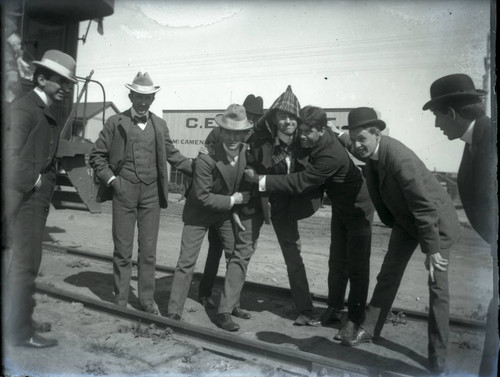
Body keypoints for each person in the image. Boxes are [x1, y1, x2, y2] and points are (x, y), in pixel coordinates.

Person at [340, 107, 461, 376]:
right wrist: (394, 222)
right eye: (353, 140)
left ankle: (438, 358)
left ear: (377, 134)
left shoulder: (398, 157)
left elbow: (424, 207)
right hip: (407, 223)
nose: (357, 145)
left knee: (437, 287)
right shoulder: (370, 154)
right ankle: (370, 329)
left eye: (362, 139)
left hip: (435, 223)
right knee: (388, 274)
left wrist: (431, 250)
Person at [244, 105, 374, 341]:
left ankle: (355, 320)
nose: (301, 136)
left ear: (321, 130)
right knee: (336, 260)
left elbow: (300, 182)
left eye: (307, 132)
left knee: (356, 266)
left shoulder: (329, 155)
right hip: (340, 207)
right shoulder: (323, 137)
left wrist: (261, 180)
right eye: (300, 130)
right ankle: (335, 308)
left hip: (358, 209)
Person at [217, 85, 322, 329]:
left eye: (292, 117)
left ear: (298, 120)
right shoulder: (259, 141)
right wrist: (234, 208)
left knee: (293, 255)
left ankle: (305, 309)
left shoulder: (304, 144)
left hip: (286, 208)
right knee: (242, 252)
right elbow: (242, 172)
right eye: (282, 116)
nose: (288, 122)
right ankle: (225, 310)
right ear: (274, 118)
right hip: (255, 202)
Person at [89, 72, 193, 314]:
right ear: (131, 96)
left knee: (148, 251)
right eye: (139, 97)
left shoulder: (160, 125)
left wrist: (199, 168)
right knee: (122, 250)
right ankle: (121, 301)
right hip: (123, 191)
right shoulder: (116, 123)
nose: (144, 102)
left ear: (153, 99)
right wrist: (113, 181)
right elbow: (97, 155)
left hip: (151, 194)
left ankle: (147, 301)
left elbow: (174, 155)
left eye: (148, 98)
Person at [423, 73, 498, 377]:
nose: (437, 126)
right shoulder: (476, 140)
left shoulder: (490, 139)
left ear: (452, 113)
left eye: (437, 118)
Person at [3, 50, 78, 348]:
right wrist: (35, 181)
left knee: (24, 264)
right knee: (25, 264)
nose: (66, 88)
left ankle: (18, 320)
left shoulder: (39, 109)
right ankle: (19, 333)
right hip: (25, 198)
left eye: (69, 83)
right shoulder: (25, 109)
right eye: (60, 81)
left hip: (32, 199)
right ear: (42, 78)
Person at [166, 104, 252, 322]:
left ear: (244, 134)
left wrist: (232, 210)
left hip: (223, 212)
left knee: (235, 255)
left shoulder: (244, 153)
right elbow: (202, 197)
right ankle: (174, 310)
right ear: (221, 132)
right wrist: (232, 201)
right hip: (199, 212)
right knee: (187, 261)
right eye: (229, 132)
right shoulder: (206, 158)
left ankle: (232, 305)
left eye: (238, 133)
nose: (233, 137)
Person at [197, 94, 264, 310]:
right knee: (215, 250)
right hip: (220, 202)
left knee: (234, 254)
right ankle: (205, 293)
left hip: (241, 203)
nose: (252, 119)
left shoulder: (256, 136)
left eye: (256, 116)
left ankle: (232, 302)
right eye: (250, 114)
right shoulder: (220, 132)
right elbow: (209, 157)